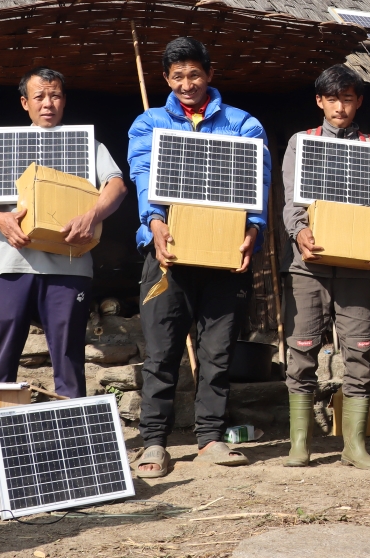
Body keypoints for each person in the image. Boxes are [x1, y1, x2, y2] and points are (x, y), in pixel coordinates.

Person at [128, 37, 272, 477]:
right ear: (166, 80)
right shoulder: (149, 123)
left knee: (218, 350)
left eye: (194, 74)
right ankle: (154, 442)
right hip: (167, 251)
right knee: (161, 349)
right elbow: (142, 172)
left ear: (209, 74)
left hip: (224, 253)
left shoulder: (243, 123)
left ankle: (210, 437)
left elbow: (258, 179)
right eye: (177, 76)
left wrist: (254, 229)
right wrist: (154, 222)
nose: (187, 83)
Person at [0, 67, 127, 399]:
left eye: (56, 95)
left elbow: (116, 185)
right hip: (11, 265)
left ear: (64, 100)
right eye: (39, 96)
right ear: (25, 103)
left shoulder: (85, 144)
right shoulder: (4, 145)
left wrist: (91, 215)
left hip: (69, 268)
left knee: (68, 359)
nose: (48, 103)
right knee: (2, 358)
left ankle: (75, 442)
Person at [281, 64, 370, 470]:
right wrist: (300, 234)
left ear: (358, 101)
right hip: (309, 266)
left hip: (360, 269)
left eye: (348, 98)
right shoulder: (302, 142)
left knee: (360, 352)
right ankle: (300, 443)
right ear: (320, 101)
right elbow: (293, 200)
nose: (340, 106)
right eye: (332, 98)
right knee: (302, 349)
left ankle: (355, 445)